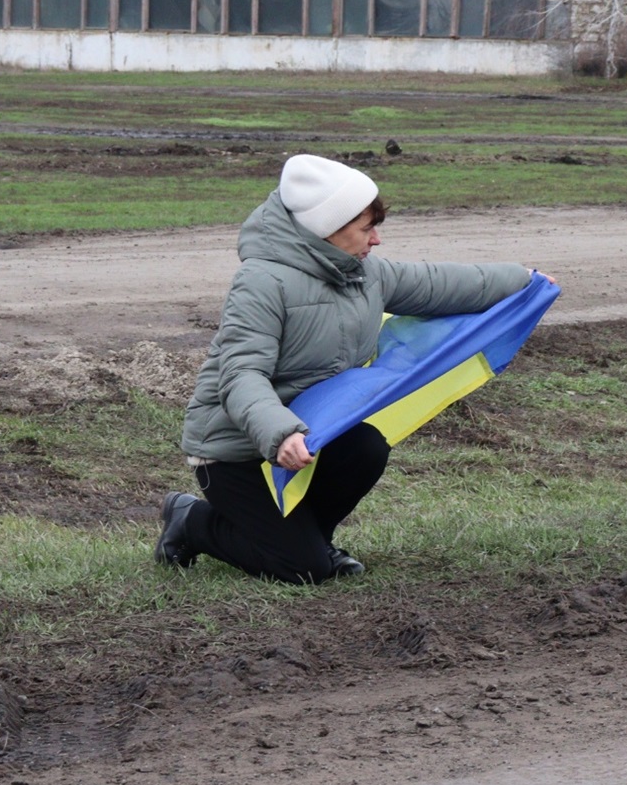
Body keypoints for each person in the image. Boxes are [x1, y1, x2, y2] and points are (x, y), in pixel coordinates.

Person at [157, 153, 539, 584]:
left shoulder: (364, 273)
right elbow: (241, 375)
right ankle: (190, 519)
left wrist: (524, 281)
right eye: (365, 228)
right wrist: (280, 434)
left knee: (365, 447)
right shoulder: (262, 282)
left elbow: (442, 284)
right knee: (302, 570)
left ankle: (311, 538)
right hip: (236, 449)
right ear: (327, 231)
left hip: (312, 435)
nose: (375, 240)